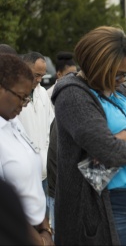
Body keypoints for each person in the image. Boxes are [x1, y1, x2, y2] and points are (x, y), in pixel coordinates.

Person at [51, 26, 126, 245]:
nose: (122, 79)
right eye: (117, 73)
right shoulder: (72, 93)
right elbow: (108, 150)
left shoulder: (121, 90)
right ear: (96, 65)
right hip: (105, 208)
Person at [0, 53, 53, 246]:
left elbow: (32, 187)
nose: (24, 105)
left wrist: (45, 229)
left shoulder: (13, 122)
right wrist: (39, 240)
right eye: (21, 97)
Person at [18, 52, 54, 205]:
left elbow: (50, 128)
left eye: (42, 75)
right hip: (21, 176)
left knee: (43, 222)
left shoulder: (43, 94)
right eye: (36, 75)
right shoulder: (13, 95)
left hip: (43, 174)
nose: (39, 80)